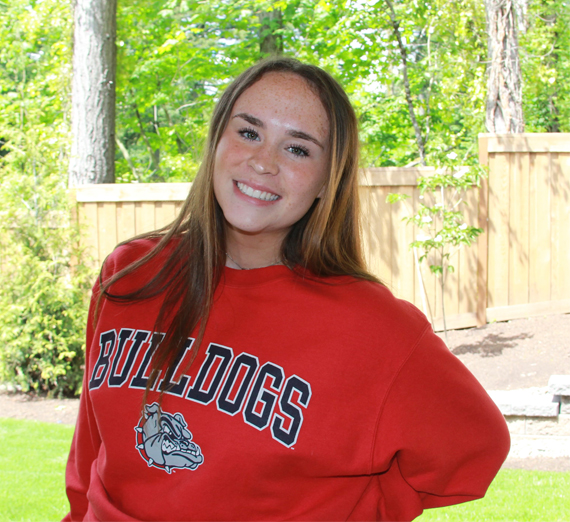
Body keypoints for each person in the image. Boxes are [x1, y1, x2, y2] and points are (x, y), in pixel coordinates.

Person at [64, 57, 510, 522]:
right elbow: (90, 448)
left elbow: (478, 445)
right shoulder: (132, 272)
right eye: (249, 132)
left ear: (326, 181)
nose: (263, 162)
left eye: (298, 149)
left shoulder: (375, 329)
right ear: (217, 140)